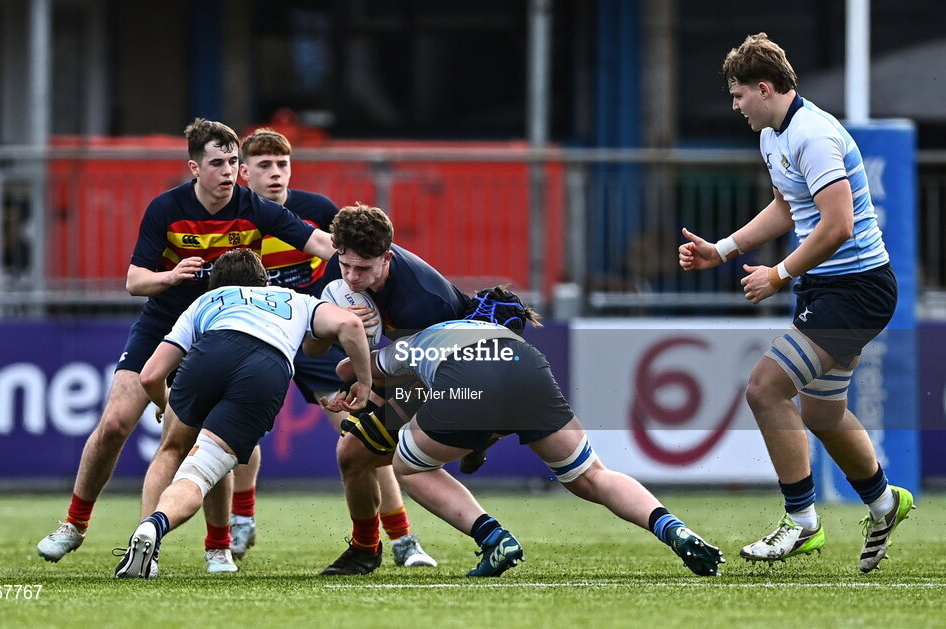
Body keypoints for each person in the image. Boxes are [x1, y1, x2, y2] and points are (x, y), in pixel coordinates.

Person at [37, 118, 335, 575]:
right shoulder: (167, 209)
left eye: (234, 162)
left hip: (223, 331)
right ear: (194, 167)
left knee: (207, 439)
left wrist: (367, 267)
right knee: (116, 422)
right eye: (217, 163)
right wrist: (171, 277)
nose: (228, 171)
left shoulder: (254, 207)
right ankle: (74, 525)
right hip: (165, 322)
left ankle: (214, 548)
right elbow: (135, 281)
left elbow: (318, 242)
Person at [678, 33, 913, 572]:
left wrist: (779, 273)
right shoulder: (773, 135)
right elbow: (788, 207)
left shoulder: (812, 135)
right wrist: (723, 249)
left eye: (738, 95)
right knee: (822, 412)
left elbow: (838, 224)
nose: (734, 105)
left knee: (765, 388)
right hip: (829, 289)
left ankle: (801, 522)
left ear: (765, 88)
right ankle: (883, 502)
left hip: (857, 289)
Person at [325, 287, 724, 578]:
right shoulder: (513, 339)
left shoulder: (431, 334)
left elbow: (347, 371)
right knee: (592, 476)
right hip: (529, 367)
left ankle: (493, 538)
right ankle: (674, 528)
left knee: (408, 468)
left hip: (466, 376)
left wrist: (360, 346)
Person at [209, 128, 433, 569]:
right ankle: (242, 519)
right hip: (261, 336)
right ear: (242, 173)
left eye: (283, 165)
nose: (276, 174)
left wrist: (364, 310)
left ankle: (404, 540)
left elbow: (356, 272)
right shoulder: (230, 218)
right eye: (265, 166)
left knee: (362, 433)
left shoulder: (316, 212)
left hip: (318, 335)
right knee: (236, 428)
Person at [114, 248, 373, 578]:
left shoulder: (204, 302)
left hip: (210, 354)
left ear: (216, 284)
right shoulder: (292, 298)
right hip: (265, 367)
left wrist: (167, 405)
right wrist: (362, 385)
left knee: (173, 450)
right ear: (264, 280)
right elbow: (350, 324)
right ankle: (201, 544)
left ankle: (148, 541)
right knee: (205, 467)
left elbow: (150, 375)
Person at [315, 202, 472, 575]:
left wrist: (362, 383)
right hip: (420, 366)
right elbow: (311, 348)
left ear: (387, 258)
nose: (351, 278)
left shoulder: (419, 302)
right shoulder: (347, 272)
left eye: (363, 269)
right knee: (354, 454)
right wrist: (334, 322)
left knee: (367, 454)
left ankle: (379, 548)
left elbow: (416, 373)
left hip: (456, 379)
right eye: (345, 264)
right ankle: (371, 549)